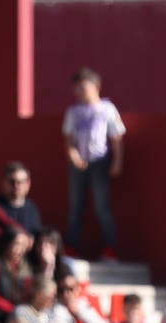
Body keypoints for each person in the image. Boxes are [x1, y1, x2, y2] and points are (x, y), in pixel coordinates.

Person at [64, 67, 125, 260]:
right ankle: (71, 247)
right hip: (79, 164)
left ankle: (110, 249)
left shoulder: (107, 109)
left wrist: (117, 161)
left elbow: (116, 137)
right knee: (76, 206)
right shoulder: (73, 112)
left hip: (100, 162)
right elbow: (68, 139)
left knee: (102, 206)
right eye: (77, 88)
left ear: (96, 86)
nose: (79, 92)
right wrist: (73, 156)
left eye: (83, 87)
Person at [0, 162, 43, 236]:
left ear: (28, 183)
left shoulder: (32, 209)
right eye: (12, 182)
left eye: (20, 182)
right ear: (3, 182)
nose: (16, 186)